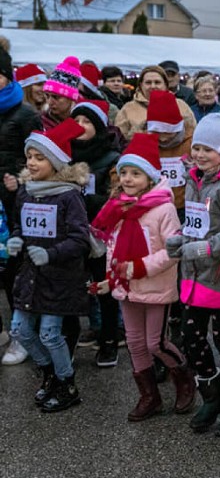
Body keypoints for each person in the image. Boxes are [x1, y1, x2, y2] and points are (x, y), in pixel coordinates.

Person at [91, 132, 196, 421]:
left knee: (156, 343)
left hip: (155, 285)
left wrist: (140, 267)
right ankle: (149, 397)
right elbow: (112, 248)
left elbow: (174, 251)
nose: (127, 178)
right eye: (124, 172)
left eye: (135, 173)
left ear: (150, 177)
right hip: (127, 287)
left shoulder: (163, 209)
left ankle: (185, 379)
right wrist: (110, 279)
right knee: (135, 343)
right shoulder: (118, 207)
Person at [167, 114, 220, 436]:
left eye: (208, 149)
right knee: (191, 338)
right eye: (197, 148)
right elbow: (194, 221)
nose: (200, 155)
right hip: (193, 274)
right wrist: (181, 239)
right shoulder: (194, 178)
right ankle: (212, 395)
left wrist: (207, 248)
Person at [6, 119, 90, 412]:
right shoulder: (26, 191)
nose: (31, 162)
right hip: (30, 275)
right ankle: (50, 373)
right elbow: (20, 226)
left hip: (59, 277)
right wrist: (15, 240)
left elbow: (81, 239)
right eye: (29, 156)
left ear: (55, 163)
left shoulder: (69, 196)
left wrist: (51, 254)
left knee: (50, 334)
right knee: (19, 330)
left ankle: (66, 383)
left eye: (39, 157)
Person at [70, 100, 123, 367]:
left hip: (102, 233)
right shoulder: (63, 155)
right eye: (76, 121)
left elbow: (117, 198)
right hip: (72, 232)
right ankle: (72, 336)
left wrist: (82, 201)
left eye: (87, 122)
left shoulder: (111, 158)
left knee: (105, 287)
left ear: (99, 126)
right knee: (71, 285)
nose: (80, 127)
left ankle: (109, 341)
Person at [0, 48, 43, 364]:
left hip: (14, 201)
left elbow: (40, 159)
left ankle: (21, 335)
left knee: (13, 268)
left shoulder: (26, 114)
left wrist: (19, 178)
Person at [146, 90, 193, 219]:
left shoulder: (192, 142)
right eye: (157, 132)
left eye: (167, 132)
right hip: (153, 205)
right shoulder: (144, 142)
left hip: (184, 206)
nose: (163, 138)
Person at [115, 65, 196, 139]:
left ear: (165, 85)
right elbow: (120, 139)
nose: (153, 86)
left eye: (157, 82)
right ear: (141, 85)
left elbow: (192, 133)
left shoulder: (181, 106)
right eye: (148, 83)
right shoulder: (128, 109)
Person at [42, 57, 82, 130]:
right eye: (47, 96)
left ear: (71, 99)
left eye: (56, 97)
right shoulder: (41, 122)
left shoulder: (84, 121)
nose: (49, 102)